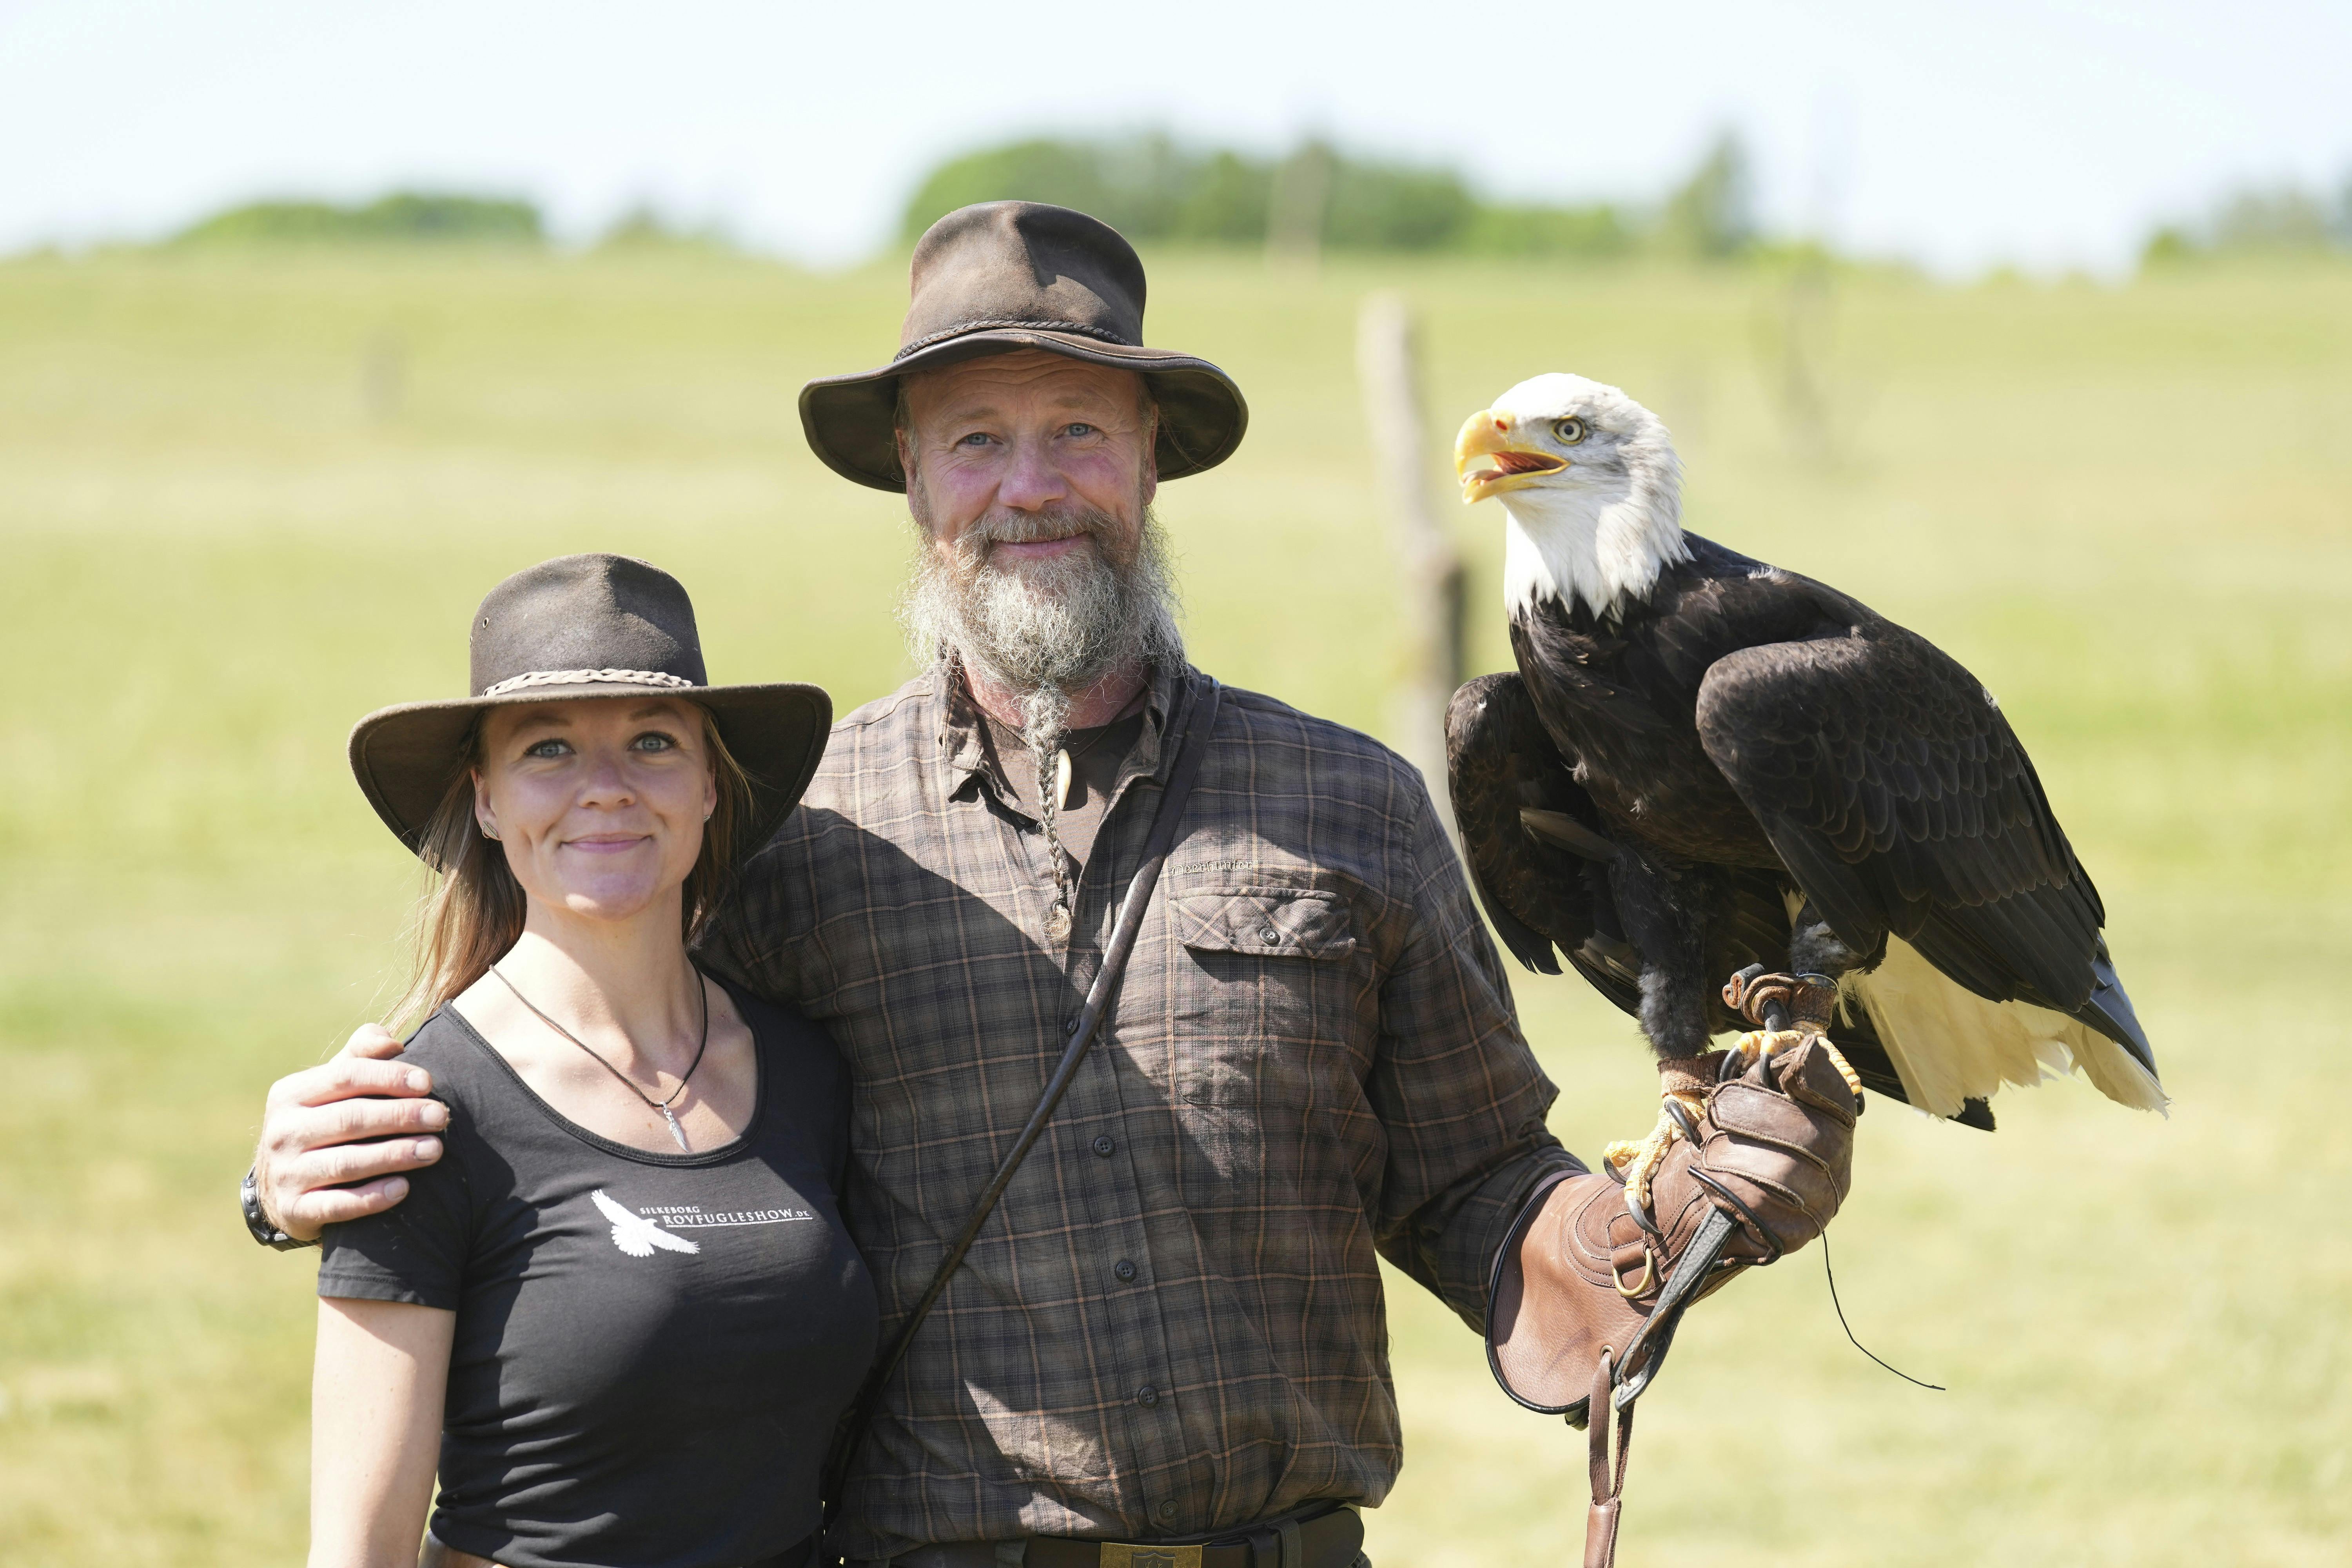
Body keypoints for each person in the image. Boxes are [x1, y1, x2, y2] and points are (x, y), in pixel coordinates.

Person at [249, 204, 1853, 1568]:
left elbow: (1470, 1176)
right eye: (975, 441)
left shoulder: (1345, 802)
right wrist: (307, 1167)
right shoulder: (799, 835)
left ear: (1152, 460)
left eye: (1078, 430)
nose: (1030, 488)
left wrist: (1650, 1225)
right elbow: (581, 1059)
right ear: (911, 479)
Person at [305, 554, 875, 1568]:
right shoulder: (423, 1111)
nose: (605, 790)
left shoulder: (807, 1072)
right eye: (550, 749)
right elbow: (360, 1552)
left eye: (652, 744)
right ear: (486, 801)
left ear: (710, 786)